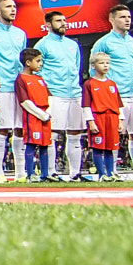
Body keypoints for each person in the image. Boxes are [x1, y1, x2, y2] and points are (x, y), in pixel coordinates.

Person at [91, 5, 133, 178]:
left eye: (128, 16)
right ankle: (111, 171)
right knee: (111, 136)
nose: (127, 20)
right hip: (115, 96)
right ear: (112, 20)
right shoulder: (103, 43)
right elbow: (94, 70)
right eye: (122, 17)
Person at [0, 0, 30, 179]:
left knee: (20, 129)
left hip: (19, 87)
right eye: (8, 6)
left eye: (14, 6)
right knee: (1, 129)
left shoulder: (21, 33)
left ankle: (20, 173)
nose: (12, 9)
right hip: (0, 88)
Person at [35, 10, 86, 180]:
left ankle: (75, 174)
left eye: (64, 20)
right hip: (54, 94)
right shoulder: (42, 45)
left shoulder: (73, 44)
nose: (63, 23)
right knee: (52, 135)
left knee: (75, 134)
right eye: (58, 21)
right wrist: (47, 92)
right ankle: (51, 172)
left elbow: (77, 67)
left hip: (74, 94)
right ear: (48, 25)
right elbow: (37, 71)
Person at [83, 53, 124, 181]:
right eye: (102, 63)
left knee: (110, 148)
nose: (105, 65)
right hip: (98, 117)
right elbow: (86, 105)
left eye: (107, 63)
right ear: (93, 65)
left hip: (112, 118)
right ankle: (101, 174)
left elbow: (118, 104)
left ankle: (111, 173)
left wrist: (120, 120)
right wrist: (91, 122)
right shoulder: (89, 83)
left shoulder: (112, 84)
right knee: (98, 147)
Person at [15, 47, 53, 182]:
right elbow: (24, 101)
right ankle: (30, 174)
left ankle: (45, 174)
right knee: (31, 144)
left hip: (45, 116)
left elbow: (49, 96)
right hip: (32, 116)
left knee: (44, 145)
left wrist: (48, 112)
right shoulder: (21, 79)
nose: (40, 64)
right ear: (28, 62)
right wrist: (41, 114)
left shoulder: (40, 78)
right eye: (38, 61)